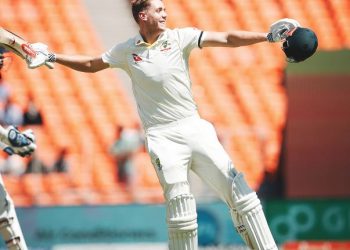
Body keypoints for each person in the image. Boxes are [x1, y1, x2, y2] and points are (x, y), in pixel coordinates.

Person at [25, 1, 305, 249]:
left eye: (165, 9)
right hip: (161, 137)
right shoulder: (126, 50)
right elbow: (90, 63)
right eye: (158, 10)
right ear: (142, 15)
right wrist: (52, 56)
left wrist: (266, 37)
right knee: (181, 209)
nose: (165, 13)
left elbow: (227, 38)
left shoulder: (180, 37)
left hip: (194, 127)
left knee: (241, 194)